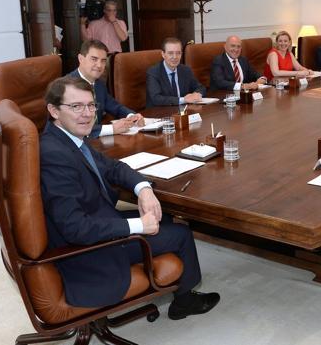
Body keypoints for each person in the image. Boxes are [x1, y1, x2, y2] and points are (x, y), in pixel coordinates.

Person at [40, 76, 220, 319]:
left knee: (162, 215)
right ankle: (184, 303)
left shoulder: (66, 140)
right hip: (89, 250)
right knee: (181, 234)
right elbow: (75, 228)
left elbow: (113, 168)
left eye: (91, 105)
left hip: (96, 220)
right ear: (53, 110)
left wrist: (143, 189)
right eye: (76, 106)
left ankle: (178, 289)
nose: (86, 114)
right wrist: (137, 225)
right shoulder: (54, 155)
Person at [68, 40, 144, 138]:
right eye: (94, 59)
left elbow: (115, 107)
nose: (99, 65)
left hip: (95, 142)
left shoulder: (99, 84)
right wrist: (112, 128)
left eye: (103, 61)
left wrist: (132, 117)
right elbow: (76, 127)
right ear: (81, 59)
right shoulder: (67, 87)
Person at [146, 37, 206, 107]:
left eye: (178, 53)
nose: (175, 57)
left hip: (182, 112)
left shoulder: (185, 70)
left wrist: (197, 94)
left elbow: (201, 88)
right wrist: (183, 100)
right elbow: (156, 98)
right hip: (160, 113)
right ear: (163, 54)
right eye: (170, 53)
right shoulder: (153, 72)